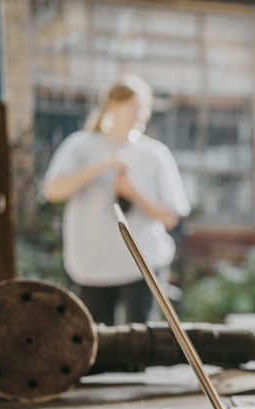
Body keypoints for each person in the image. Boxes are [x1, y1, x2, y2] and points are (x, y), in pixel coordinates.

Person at [42, 75, 190, 324]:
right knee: (100, 346)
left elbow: (170, 217)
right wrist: (103, 165)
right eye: (134, 107)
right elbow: (52, 190)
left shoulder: (155, 154)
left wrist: (135, 193)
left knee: (141, 346)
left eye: (145, 108)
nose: (141, 115)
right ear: (112, 105)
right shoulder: (80, 146)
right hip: (91, 266)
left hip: (142, 265)